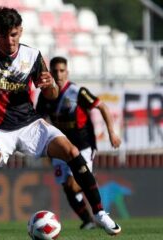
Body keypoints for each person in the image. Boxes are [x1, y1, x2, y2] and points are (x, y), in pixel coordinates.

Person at [0, 7, 121, 240]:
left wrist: (50, 86)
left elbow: (52, 94)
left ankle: (99, 213)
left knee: (71, 151)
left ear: (21, 32)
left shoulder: (32, 56)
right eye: (4, 35)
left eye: (14, 34)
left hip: (28, 123)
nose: (10, 40)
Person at [36, 56, 121, 230]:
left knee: (75, 184)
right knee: (67, 187)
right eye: (55, 71)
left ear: (67, 72)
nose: (58, 75)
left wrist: (112, 132)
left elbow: (102, 107)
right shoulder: (45, 95)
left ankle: (89, 182)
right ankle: (87, 220)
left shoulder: (77, 92)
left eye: (61, 71)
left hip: (83, 145)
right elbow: (38, 119)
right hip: (61, 146)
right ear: (50, 73)